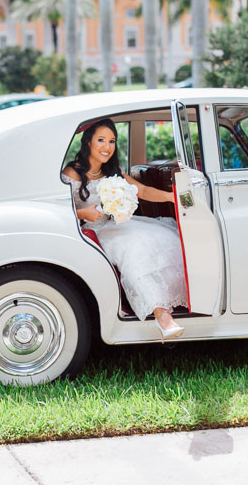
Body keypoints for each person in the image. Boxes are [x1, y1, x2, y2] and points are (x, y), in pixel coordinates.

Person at [61, 118, 188, 341]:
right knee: (135, 246)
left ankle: (180, 302)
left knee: (165, 236)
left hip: (120, 225)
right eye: (101, 140)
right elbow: (59, 210)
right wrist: (84, 213)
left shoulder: (114, 172)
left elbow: (143, 191)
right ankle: (162, 315)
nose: (107, 147)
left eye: (112, 141)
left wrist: (171, 197)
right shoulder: (72, 173)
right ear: (88, 142)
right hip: (95, 230)